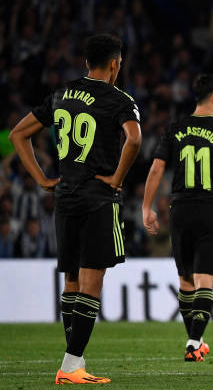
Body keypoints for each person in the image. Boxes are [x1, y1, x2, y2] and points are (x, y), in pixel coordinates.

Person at [10, 33, 142, 384]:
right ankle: (71, 366)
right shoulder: (119, 100)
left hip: (65, 197)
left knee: (71, 281)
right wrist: (116, 178)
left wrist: (41, 178)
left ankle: (73, 362)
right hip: (98, 197)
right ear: (115, 64)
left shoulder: (60, 94)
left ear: (86, 62)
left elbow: (17, 135)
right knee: (91, 282)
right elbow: (135, 138)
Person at [142, 74, 213, 362]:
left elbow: (157, 169)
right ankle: (194, 341)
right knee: (205, 280)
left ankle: (195, 341)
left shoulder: (175, 129)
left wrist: (146, 207)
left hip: (180, 210)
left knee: (185, 281)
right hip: (212, 210)